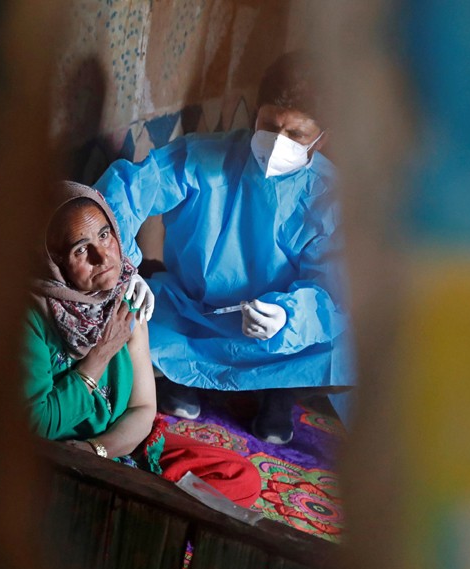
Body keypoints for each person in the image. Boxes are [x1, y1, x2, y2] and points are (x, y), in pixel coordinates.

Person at [93, 51, 354, 444]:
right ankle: (184, 379)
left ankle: (276, 394)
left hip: (275, 335)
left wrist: (288, 319)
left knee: (348, 337)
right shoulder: (203, 158)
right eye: (269, 126)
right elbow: (127, 192)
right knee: (126, 311)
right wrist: (124, 264)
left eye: (296, 135)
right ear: (255, 115)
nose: (278, 144)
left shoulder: (330, 199)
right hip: (192, 313)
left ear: (322, 139)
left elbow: (334, 290)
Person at [22, 181, 260, 507]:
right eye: (80, 249)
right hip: (54, 453)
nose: (102, 256)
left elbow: (142, 409)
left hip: (114, 445)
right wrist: (102, 353)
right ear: (54, 261)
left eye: (105, 235)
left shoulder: (123, 299)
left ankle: (131, 500)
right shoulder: (30, 317)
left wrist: (98, 451)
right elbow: (41, 424)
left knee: (239, 477)